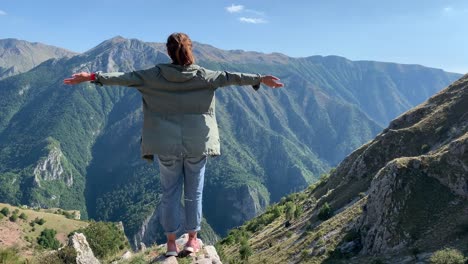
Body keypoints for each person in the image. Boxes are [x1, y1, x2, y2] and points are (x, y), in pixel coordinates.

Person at [64, 32, 284, 257]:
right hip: (198, 144)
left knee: (169, 193)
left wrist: (90, 76)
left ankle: (171, 244)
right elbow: (233, 77)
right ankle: (191, 241)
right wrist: (260, 78)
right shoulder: (206, 75)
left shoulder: (152, 76)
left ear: (168, 52)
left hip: (165, 144)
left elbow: (122, 77)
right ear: (191, 50)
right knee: (194, 193)